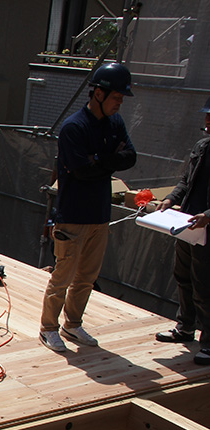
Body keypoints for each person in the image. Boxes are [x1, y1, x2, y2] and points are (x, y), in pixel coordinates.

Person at [39, 62, 137, 352]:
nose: (119, 104)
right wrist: (108, 159)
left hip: (99, 214)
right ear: (98, 94)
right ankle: (48, 328)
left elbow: (130, 156)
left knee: (88, 276)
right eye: (116, 98)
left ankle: (73, 323)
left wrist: (99, 159)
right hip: (73, 215)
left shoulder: (115, 123)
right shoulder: (74, 127)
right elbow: (81, 170)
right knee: (63, 275)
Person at [152, 95, 210, 365]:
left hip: (206, 231)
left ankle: (208, 341)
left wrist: (207, 216)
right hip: (187, 224)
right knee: (183, 277)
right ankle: (184, 327)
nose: (207, 120)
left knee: (204, 285)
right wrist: (171, 200)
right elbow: (186, 181)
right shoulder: (202, 146)